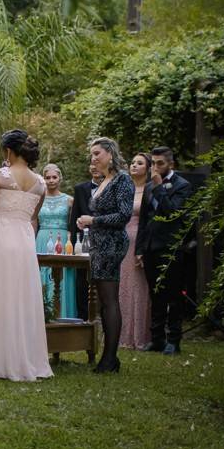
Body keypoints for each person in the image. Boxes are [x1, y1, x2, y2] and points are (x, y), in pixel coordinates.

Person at [0, 129, 53, 381]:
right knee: (22, 297)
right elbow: (33, 217)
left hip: (2, 238)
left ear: (8, 151)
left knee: (0, 294)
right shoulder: (41, 184)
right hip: (25, 241)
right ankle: (26, 357)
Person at [76, 137, 134, 374]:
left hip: (112, 245)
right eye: (92, 154)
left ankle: (110, 358)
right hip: (98, 245)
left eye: (97, 153)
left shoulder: (123, 180)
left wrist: (94, 220)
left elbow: (124, 216)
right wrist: (86, 222)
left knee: (110, 301)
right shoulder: (103, 181)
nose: (93, 158)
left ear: (110, 153)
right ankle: (110, 357)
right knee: (103, 301)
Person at [135, 146, 193, 355]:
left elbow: (174, 214)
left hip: (171, 248)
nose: (156, 167)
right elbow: (143, 220)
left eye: (160, 163)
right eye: (154, 162)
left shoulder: (183, 186)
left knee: (174, 295)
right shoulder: (149, 187)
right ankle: (157, 339)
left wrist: (160, 187)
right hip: (150, 247)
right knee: (155, 294)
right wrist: (139, 249)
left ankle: (174, 340)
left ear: (171, 164)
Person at [119, 153, 152, 349]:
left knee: (139, 288)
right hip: (122, 240)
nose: (134, 165)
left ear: (147, 168)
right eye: (132, 162)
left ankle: (140, 335)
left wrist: (143, 248)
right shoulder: (124, 188)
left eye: (139, 163)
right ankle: (122, 336)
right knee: (122, 286)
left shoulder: (150, 190)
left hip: (140, 241)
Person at [34, 163, 76, 318]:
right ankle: (41, 316)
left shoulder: (70, 200)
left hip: (62, 240)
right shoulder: (38, 199)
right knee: (42, 276)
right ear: (43, 179)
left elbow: (74, 225)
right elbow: (33, 221)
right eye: (47, 177)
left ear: (60, 179)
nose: (51, 180)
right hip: (42, 240)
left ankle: (63, 314)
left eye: (54, 177)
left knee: (62, 276)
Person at [68, 163, 103, 318]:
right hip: (84, 241)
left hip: (106, 239)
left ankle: (102, 315)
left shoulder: (114, 188)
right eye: (91, 164)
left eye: (97, 164)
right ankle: (82, 316)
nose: (94, 167)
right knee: (82, 279)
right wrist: (73, 242)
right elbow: (74, 215)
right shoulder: (80, 189)